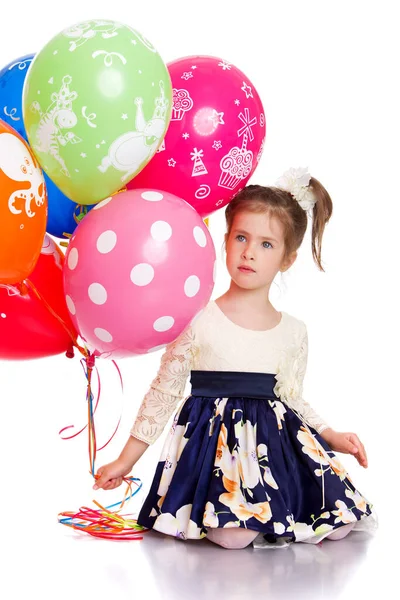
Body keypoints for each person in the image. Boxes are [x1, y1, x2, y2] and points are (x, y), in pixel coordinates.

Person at [94, 167, 378, 549]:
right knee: (233, 536)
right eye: (241, 238)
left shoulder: (294, 331)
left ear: (287, 259)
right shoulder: (196, 319)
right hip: (215, 457)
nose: (248, 252)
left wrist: (330, 435)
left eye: (266, 244)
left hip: (271, 454)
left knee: (339, 523)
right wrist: (124, 461)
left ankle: (282, 508)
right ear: (225, 241)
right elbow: (163, 393)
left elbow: (291, 397)